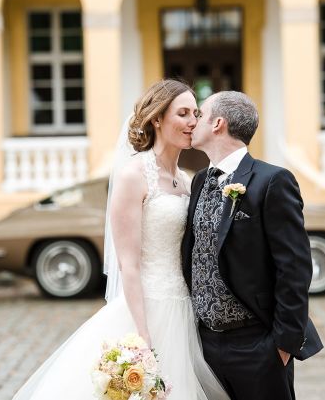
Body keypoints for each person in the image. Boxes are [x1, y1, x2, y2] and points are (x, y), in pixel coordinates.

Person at [13, 79, 229, 400]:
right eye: (183, 113)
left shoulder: (185, 180)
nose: (192, 122)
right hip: (148, 308)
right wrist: (142, 335)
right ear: (157, 119)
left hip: (184, 308)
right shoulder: (133, 176)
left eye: (195, 113)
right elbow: (129, 264)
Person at [181, 91, 323, 400]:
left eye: (200, 115)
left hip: (256, 344)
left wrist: (282, 345)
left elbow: (295, 268)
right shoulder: (199, 180)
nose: (193, 122)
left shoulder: (272, 180)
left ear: (218, 123)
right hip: (205, 345)